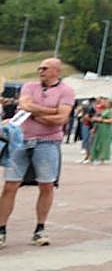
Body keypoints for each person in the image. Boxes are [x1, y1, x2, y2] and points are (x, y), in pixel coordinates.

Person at [0, 58, 75, 248]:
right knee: (10, 185)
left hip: (48, 142)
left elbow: (61, 118)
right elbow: (26, 105)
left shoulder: (66, 90)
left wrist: (34, 112)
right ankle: (1, 229)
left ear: (56, 71)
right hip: (21, 139)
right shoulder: (29, 86)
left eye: (45, 68)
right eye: (39, 67)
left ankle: (39, 229)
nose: (40, 70)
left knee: (46, 185)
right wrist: (50, 112)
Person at [88, 97, 112, 164]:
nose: (104, 104)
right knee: (97, 142)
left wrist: (101, 120)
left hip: (105, 129)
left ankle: (102, 158)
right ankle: (94, 157)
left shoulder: (111, 111)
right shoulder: (105, 110)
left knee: (103, 143)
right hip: (99, 128)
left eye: (106, 103)